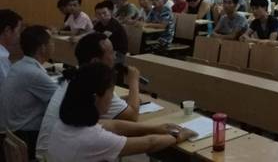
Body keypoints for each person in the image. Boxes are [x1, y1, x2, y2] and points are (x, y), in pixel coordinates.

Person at [46, 62, 195, 162]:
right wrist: (178, 136)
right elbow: (149, 143)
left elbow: (113, 125)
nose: (112, 98)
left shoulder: (66, 122)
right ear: (95, 98)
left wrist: (155, 128)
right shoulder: (92, 139)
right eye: (111, 93)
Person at [36, 32, 142, 158]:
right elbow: (132, 116)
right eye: (111, 53)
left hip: (49, 153)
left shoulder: (75, 77)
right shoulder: (96, 85)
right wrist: (133, 81)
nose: (115, 57)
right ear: (96, 61)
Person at [0, 26, 57, 158]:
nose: (54, 45)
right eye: (52, 42)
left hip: (12, 132)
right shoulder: (33, 73)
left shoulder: (18, 65)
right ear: (43, 48)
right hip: (25, 136)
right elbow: (62, 100)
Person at [0, 9, 22, 88]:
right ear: (7, 31)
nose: (19, 36)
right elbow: (8, 89)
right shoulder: (2, 58)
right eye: (18, 31)